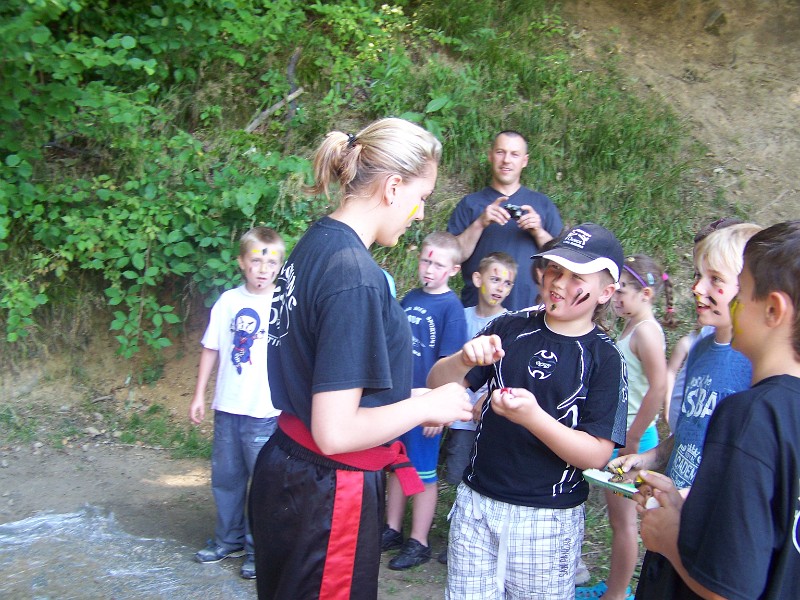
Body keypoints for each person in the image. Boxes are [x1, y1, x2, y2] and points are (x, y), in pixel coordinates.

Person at [247, 118, 473, 600]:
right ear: (392, 187)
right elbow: (336, 431)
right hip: (327, 490)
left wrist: (422, 398)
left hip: (288, 470)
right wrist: (424, 406)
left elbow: (327, 383)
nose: (419, 214)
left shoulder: (316, 243)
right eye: (422, 196)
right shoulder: (356, 276)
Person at [427, 222, 629, 599]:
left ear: (606, 292)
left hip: (547, 520)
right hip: (477, 504)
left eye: (576, 276)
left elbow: (597, 454)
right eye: (554, 269)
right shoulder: (508, 327)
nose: (559, 283)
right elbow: (437, 383)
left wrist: (534, 419)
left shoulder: (606, 358)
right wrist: (462, 359)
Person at [634, 220, 800, 599]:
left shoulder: (751, 417)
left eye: (743, 292)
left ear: (773, 309)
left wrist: (668, 537)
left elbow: (728, 588)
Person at [607, 222, 762, 597]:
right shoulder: (702, 349)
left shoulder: (755, 367)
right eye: (697, 275)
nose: (697, 288)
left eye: (714, 279)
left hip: (709, 538)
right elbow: (690, 431)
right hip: (668, 522)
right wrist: (648, 459)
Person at [188, 226, 285, 580]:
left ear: (279, 266)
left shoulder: (282, 305)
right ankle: (228, 539)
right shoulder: (228, 302)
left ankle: (259, 550)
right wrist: (199, 394)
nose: (263, 269)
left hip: (265, 412)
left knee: (263, 485)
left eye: (271, 262)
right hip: (228, 408)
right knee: (226, 478)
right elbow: (211, 347)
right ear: (242, 262)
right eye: (256, 261)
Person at [577, 255, 675, 600]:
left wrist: (633, 437)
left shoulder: (646, 331)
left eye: (622, 292)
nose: (615, 298)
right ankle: (614, 588)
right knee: (620, 521)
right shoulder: (633, 325)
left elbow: (658, 386)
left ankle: (617, 594)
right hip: (623, 435)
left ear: (645, 294)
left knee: (624, 523)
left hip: (634, 440)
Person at [382, 231, 468, 570]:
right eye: (425, 261)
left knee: (424, 473)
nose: (429, 269)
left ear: (454, 270)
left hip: (427, 407)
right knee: (397, 464)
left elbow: (452, 366)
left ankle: (419, 541)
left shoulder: (451, 309)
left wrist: (438, 411)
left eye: (438, 265)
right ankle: (391, 529)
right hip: (401, 400)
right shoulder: (411, 298)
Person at [436, 251, 518, 565]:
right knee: (457, 474)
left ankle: (475, 542)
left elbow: (511, 372)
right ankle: (458, 536)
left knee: (480, 478)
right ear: (477, 278)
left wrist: (489, 397)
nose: (500, 287)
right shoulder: (460, 317)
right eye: (495, 279)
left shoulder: (511, 324)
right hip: (455, 413)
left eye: (506, 283)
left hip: (489, 420)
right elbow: (447, 361)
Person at [447, 130, 563, 311]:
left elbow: (563, 263)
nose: (506, 160)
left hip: (529, 312)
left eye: (514, 154)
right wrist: (480, 223)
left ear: (524, 161)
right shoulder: (470, 204)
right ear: (491, 156)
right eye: (500, 152)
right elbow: (451, 258)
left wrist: (538, 232)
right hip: (478, 313)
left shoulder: (542, 205)